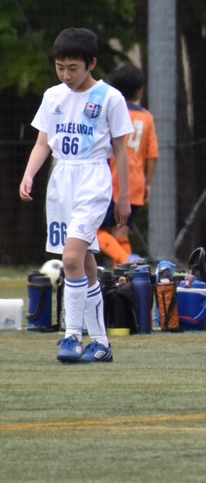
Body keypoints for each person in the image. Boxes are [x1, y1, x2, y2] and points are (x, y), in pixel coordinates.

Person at [20, 28, 133, 363]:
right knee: (84, 262)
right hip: (61, 179)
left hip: (93, 179)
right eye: (60, 67)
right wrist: (29, 174)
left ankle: (71, 337)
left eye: (73, 67)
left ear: (91, 64)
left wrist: (123, 196)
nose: (66, 75)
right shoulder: (53, 96)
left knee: (69, 259)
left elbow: (121, 151)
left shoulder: (110, 97)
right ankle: (101, 344)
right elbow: (43, 142)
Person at [96, 63, 159, 267]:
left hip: (111, 180)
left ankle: (125, 260)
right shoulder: (146, 117)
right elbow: (152, 155)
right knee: (121, 232)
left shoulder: (108, 112)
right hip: (134, 183)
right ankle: (125, 278)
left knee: (93, 230)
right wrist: (148, 184)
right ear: (139, 91)